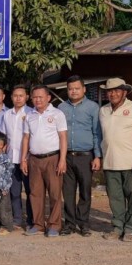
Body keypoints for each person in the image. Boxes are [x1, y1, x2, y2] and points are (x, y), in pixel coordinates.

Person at [98, 78, 132, 242]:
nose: (113, 94)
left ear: (124, 92)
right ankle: (118, 226)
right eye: (110, 91)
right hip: (110, 162)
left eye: (117, 90)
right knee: (115, 197)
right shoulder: (103, 111)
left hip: (130, 162)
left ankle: (131, 228)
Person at [57, 75, 101, 237]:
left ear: (84, 89)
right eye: (70, 89)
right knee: (67, 192)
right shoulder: (61, 108)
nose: (73, 91)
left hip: (85, 156)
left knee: (84, 191)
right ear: (67, 90)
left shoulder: (93, 107)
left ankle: (83, 223)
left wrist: (97, 156)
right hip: (66, 156)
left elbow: (97, 133)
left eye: (77, 88)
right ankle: (69, 224)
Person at [21, 85, 67, 237]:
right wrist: (23, 159)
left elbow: (62, 137)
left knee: (54, 193)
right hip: (34, 159)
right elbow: (26, 138)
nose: (38, 100)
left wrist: (62, 160)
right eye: (35, 97)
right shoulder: (30, 115)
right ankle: (38, 224)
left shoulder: (57, 114)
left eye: (41, 97)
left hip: (52, 158)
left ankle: (54, 225)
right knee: (35, 193)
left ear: (48, 98)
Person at [2, 85, 33, 229]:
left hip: (26, 159)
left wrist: (26, 157)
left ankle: (31, 220)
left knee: (30, 191)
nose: (18, 98)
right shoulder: (7, 114)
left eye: (21, 95)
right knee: (14, 192)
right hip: (10, 159)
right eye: (15, 95)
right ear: (11, 97)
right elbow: (3, 136)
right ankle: (18, 218)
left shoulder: (31, 113)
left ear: (26, 97)